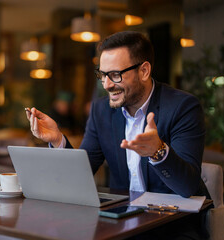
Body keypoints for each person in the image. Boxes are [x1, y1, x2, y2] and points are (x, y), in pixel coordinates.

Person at [26, 31, 210, 239]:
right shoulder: (100, 111)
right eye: (102, 75)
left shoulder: (183, 107)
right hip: (122, 223)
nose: (106, 84)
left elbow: (187, 186)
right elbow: (82, 175)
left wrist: (158, 151)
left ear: (144, 71)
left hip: (174, 226)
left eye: (115, 75)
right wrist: (58, 140)